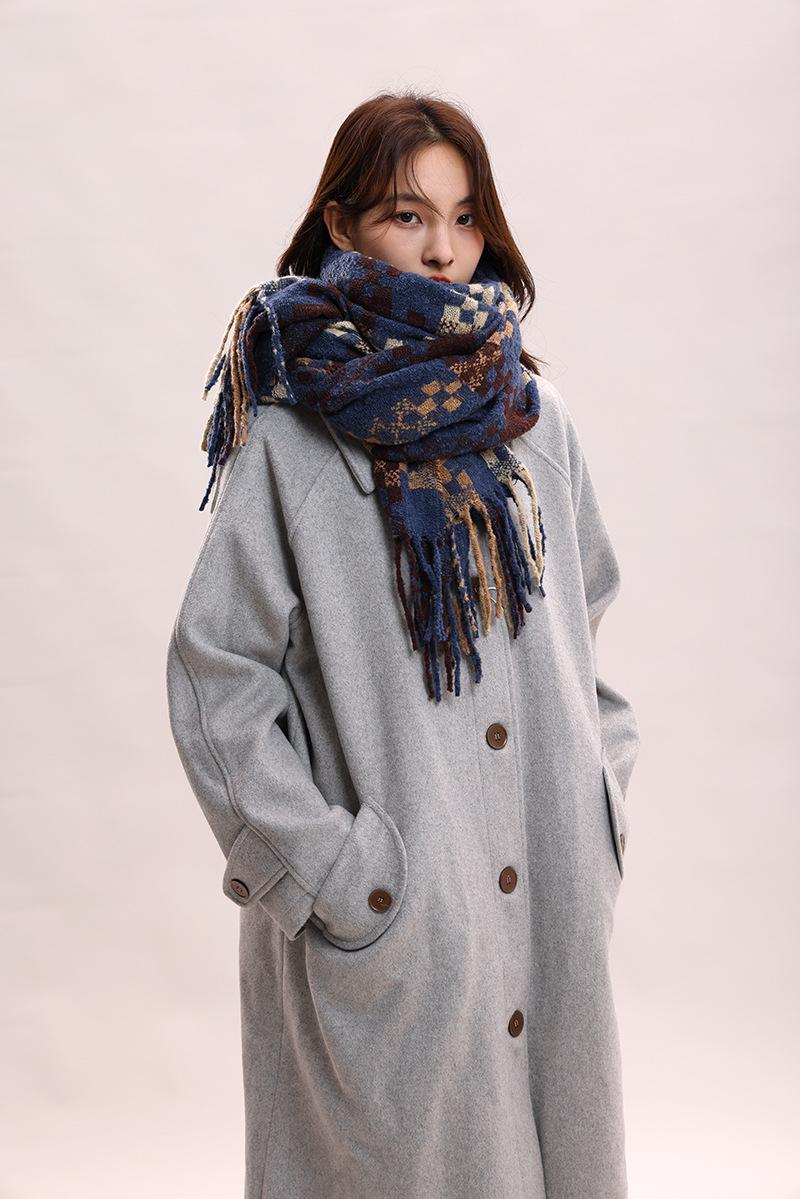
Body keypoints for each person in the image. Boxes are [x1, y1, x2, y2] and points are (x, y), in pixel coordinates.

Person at [166, 89, 640, 1199]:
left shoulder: (535, 417)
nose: (442, 249)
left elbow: (588, 628)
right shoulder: (290, 436)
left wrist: (599, 809)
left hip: (549, 898)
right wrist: (338, 877)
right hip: (391, 932)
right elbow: (216, 676)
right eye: (406, 214)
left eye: (465, 217)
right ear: (341, 223)